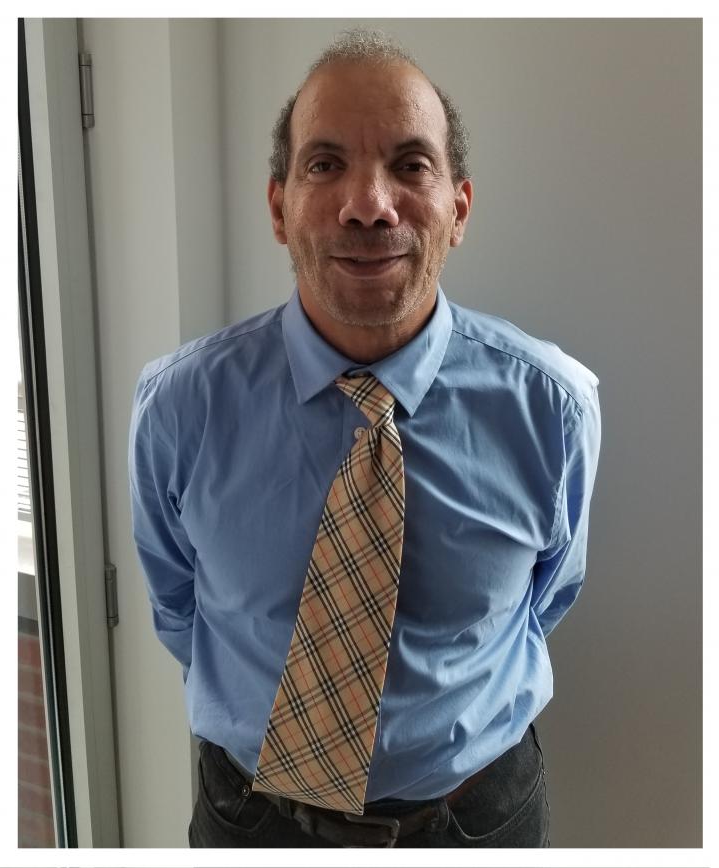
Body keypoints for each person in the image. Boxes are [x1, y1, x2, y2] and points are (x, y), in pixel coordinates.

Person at [129, 29, 601, 849]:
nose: (368, 204)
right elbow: (180, 609)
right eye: (324, 165)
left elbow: (548, 596)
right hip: (251, 820)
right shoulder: (179, 407)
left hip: (476, 822)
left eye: (411, 166)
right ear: (278, 207)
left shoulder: (552, 407)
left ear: (459, 208)